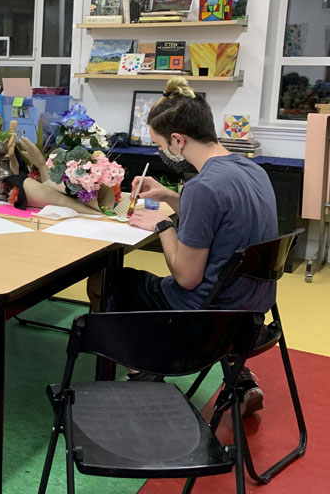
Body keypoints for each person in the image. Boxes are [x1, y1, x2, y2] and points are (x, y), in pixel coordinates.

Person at [95, 77, 278, 414]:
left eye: (161, 145)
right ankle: (239, 377)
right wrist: (168, 196)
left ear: (178, 140)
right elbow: (221, 221)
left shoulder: (204, 187)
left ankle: (145, 369)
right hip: (254, 307)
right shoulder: (252, 171)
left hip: (211, 315)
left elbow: (187, 278)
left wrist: (163, 225)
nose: (161, 152)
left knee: (116, 282)